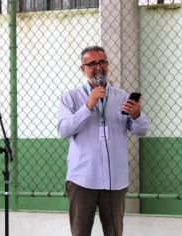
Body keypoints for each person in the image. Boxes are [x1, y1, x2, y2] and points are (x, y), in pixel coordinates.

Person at [57, 46, 149, 236]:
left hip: (114, 181)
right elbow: (64, 130)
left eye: (102, 62)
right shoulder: (71, 97)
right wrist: (88, 106)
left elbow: (141, 131)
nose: (98, 67)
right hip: (83, 179)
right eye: (92, 63)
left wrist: (137, 115)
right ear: (83, 69)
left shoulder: (121, 96)